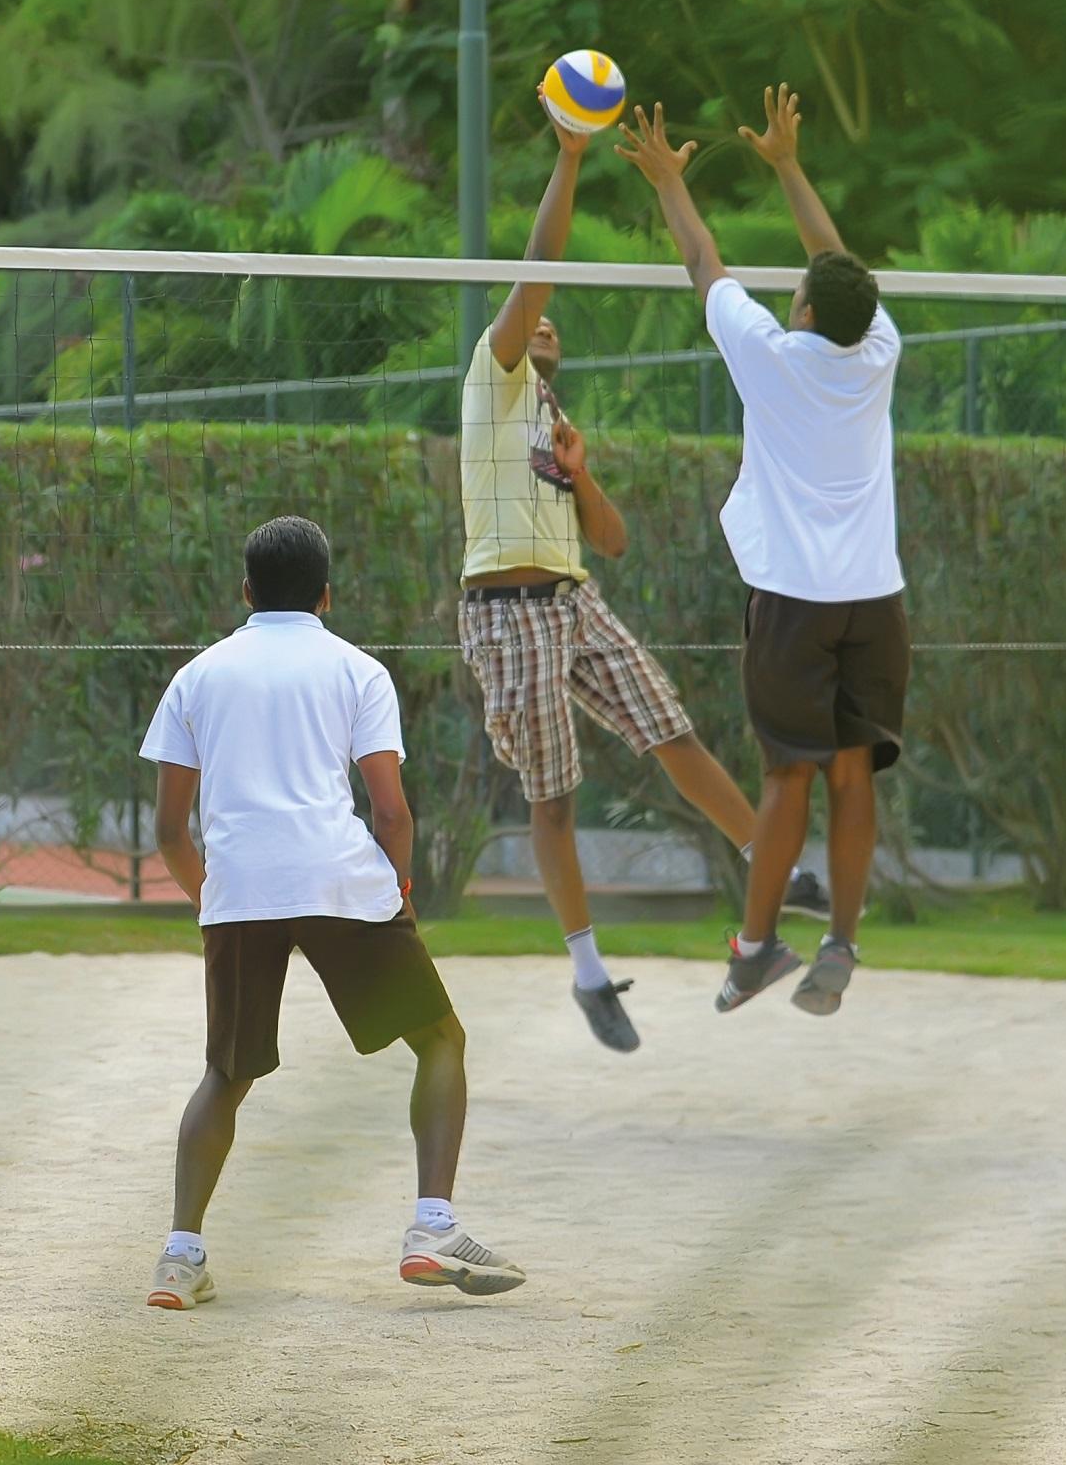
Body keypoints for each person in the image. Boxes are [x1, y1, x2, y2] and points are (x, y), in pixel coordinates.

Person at [458, 102, 829, 1054]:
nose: (544, 333)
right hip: (505, 611)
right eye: (534, 329)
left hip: (575, 601)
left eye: (552, 335)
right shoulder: (491, 382)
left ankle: (773, 869)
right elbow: (538, 270)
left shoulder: (555, 422)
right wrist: (570, 160)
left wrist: (583, 475)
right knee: (554, 799)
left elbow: (612, 541)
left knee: (673, 731)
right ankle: (588, 973)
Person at [139, 516, 523, 1312]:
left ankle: (180, 1257)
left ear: (245, 591)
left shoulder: (198, 676)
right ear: (326, 594)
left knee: (225, 1073)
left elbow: (169, 831)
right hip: (342, 883)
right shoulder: (358, 670)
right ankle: (432, 1228)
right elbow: (391, 812)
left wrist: (215, 897)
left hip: (241, 891)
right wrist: (400, 889)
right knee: (441, 1039)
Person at [619, 89, 909, 1017]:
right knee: (854, 769)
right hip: (877, 599)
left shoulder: (771, 353)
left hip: (792, 600)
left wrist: (670, 180)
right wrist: (788, 165)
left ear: (807, 309)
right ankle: (844, 944)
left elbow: (703, 258)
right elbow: (838, 263)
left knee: (788, 774)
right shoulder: (879, 348)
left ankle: (755, 948)